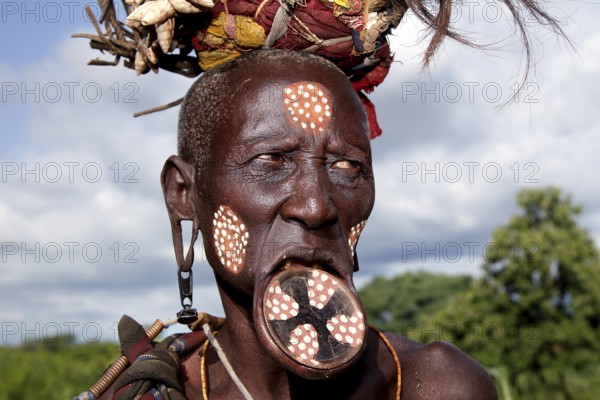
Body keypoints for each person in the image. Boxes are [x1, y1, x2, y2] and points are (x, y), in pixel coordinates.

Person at [88, 49, 497, 400]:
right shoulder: (148, 391)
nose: (317, 206)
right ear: (184, 193)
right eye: (272, 160)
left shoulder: (434, 385)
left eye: (347, 166)